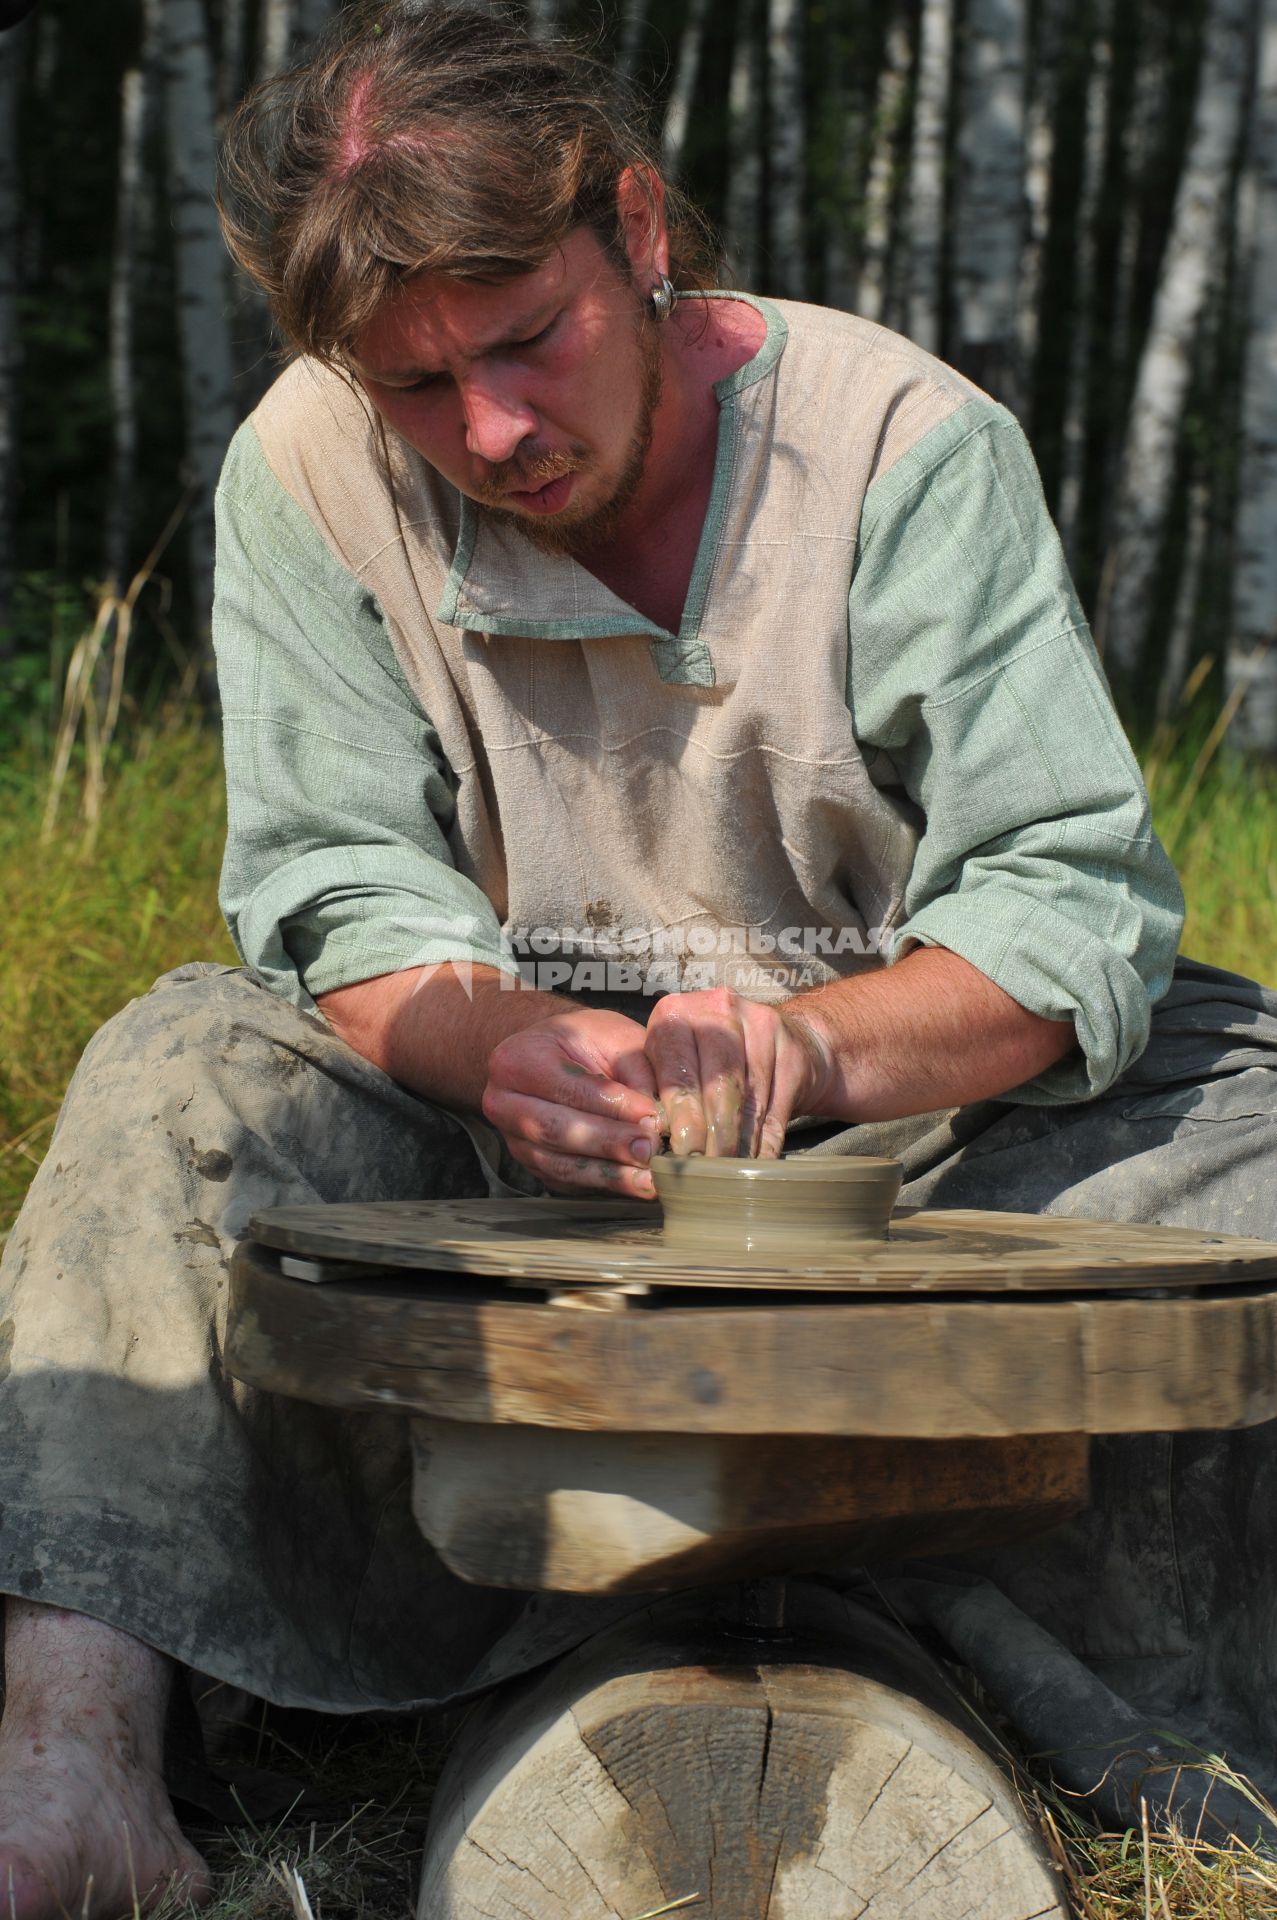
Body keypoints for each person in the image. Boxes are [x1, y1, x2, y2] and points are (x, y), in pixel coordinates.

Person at [2, 1, 1276, 1910]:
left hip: (914, 1147)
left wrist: (808, 1056)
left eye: (528, 339)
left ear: (641, 226)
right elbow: (336, 882)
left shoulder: (901, 445)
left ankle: (1135, 1725)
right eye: (417, 387)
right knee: (175, 1072)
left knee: (1252, 1118)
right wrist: (502, 1041)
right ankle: (73, 1764)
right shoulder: (304, 471)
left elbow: (1064, 906)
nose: (491, 429)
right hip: (510, 1158)